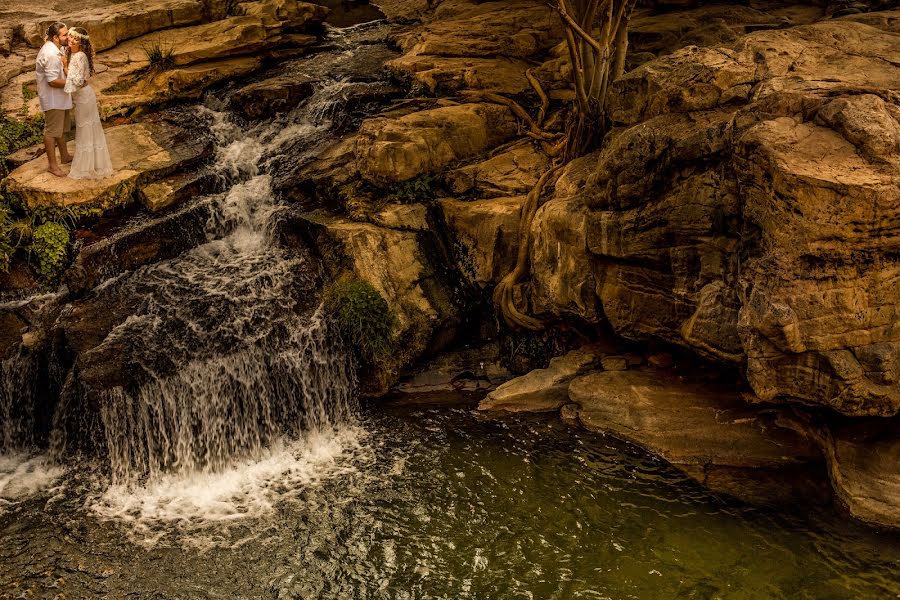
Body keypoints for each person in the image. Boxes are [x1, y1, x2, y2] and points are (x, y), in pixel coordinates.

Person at [64, 27, 113, 179]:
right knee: (88, 130)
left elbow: (78, 81)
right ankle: (94, 164)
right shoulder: (71, 52)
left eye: (75, 39)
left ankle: (85, 169)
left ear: (82, 43)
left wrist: (65, 67)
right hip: (83, 97)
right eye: (70, 37)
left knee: (85, 131)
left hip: (84, 97)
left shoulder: (79, 56)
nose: (71, 40)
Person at [35, 22, 72, 177]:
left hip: (61, 97)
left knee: (61, 129)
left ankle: (64, 156)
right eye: (64, 34)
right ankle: (52, 166)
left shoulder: (57, 48)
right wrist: (73, 82)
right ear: (56, 37)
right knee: (51, 131)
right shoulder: (50, 54)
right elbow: (52, 81)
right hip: (53, 99)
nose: (68, 37)